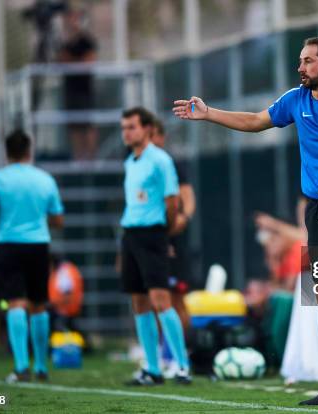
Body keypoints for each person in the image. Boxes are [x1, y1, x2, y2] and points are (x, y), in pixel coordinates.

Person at [173, 37, 318, 406]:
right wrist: (208, 113)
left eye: (309, 61)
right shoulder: (295, 99)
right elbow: (254, 121)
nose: (301, 67)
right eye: (300, 61)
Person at [0, 130, 64, 383]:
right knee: (39, 304)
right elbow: (58, 219)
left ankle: (20, 367)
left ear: (6, 152)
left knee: (15, 302)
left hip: (8, 245)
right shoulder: (45, 179)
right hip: (38, 245)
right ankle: (41, 367)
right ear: (30, 150)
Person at [119, 107, 191, 386]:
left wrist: (167, 231)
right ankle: (152, 368)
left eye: (132, 127)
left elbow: (172, 200)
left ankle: (181, 365)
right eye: (124, 128)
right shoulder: (130, 161)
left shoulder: (160, 160)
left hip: (153, 235)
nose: (127, 133)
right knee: (139, 302)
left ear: (147, 129)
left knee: (162, 301)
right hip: (131, 236)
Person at [150, 118, 196, 331]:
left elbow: (187, 198)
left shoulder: (172, 165)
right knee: (154, 298)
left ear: (162, 137)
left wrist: (182, 219)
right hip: (150, 239)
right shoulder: (137, 164)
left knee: (176, 298)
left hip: (173, 241)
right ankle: (160, 352)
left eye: (154, 135)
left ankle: (182, 351)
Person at [59, 6, 98, 160]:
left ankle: (91, 159)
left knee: (87, 125)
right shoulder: (66, 43)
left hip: (84, 91)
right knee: (74, 126)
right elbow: (62, 61)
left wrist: (72, 62)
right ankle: (79, 159)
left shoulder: (87, 41)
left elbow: (88, 62)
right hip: (71, 91)